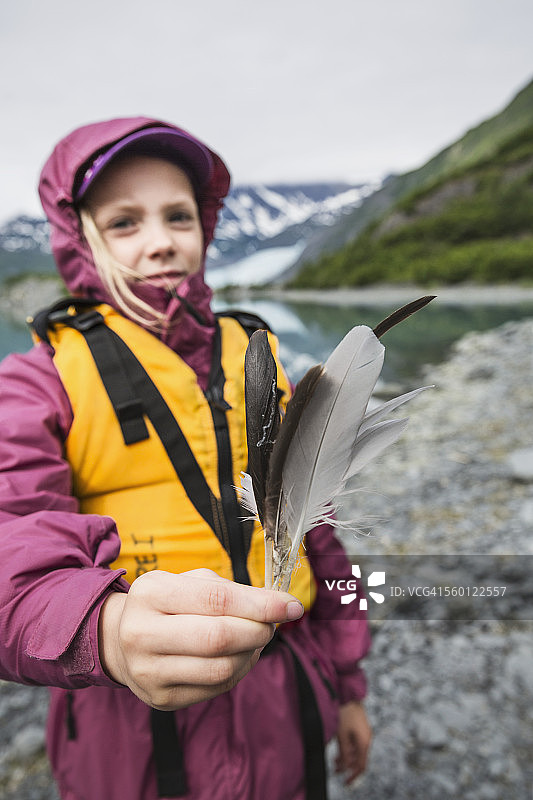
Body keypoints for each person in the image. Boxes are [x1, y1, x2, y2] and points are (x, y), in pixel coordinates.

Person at [0, 117, 372, 800]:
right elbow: (10, 535)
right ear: (79, 235)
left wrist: (347, 688)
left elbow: (317, 535)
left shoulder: (257, 359)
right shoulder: (37, 381)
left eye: (178, 215)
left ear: (204, 227)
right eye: (124, 223)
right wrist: (104, 630)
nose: (161, 241)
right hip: (130, 730)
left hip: (285, 695)